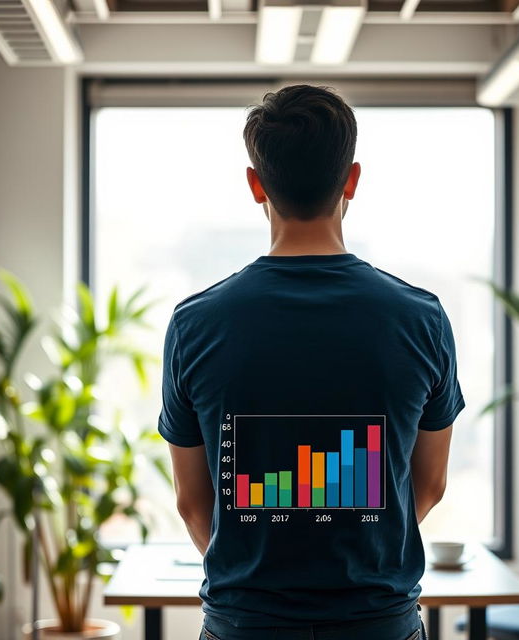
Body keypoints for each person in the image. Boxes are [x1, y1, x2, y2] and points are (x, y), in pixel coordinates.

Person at [158, 83, 465, 640]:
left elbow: (192, 502)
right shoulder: (420, 319)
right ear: (351, 179)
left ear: (256, 185)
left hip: (244, 626)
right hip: (379, 625)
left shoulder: (195, 325)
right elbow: (430, 484)